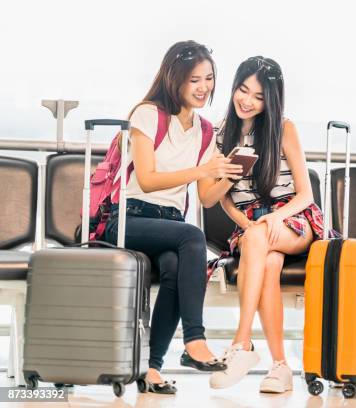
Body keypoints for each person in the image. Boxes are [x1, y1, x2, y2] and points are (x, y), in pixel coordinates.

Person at [104, 40, 243, 394]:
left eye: (209, 78)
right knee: (192, 236)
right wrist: (201, 170)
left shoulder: (205, 130)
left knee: (175, 268)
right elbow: (148, 180)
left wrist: (228, 172)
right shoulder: (147, 114)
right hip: (130, 219)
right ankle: (194, 340)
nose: (203, 88)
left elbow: (208, 196)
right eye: (194, 79)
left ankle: (151, 368)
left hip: (168, 227)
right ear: (174, 79)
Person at [210, 56, 330, 393]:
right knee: (269, 262)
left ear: (271, 101)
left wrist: (274, 217)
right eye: (243, 90)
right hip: (251, 224)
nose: (247, 100)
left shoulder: (283, 129)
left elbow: (306, 194)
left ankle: (241, 343)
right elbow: (224, 198)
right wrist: (245, 225)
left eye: (259, 96)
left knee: (260, 240)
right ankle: (280, 367)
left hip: (294, 219)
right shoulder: (222, 133)